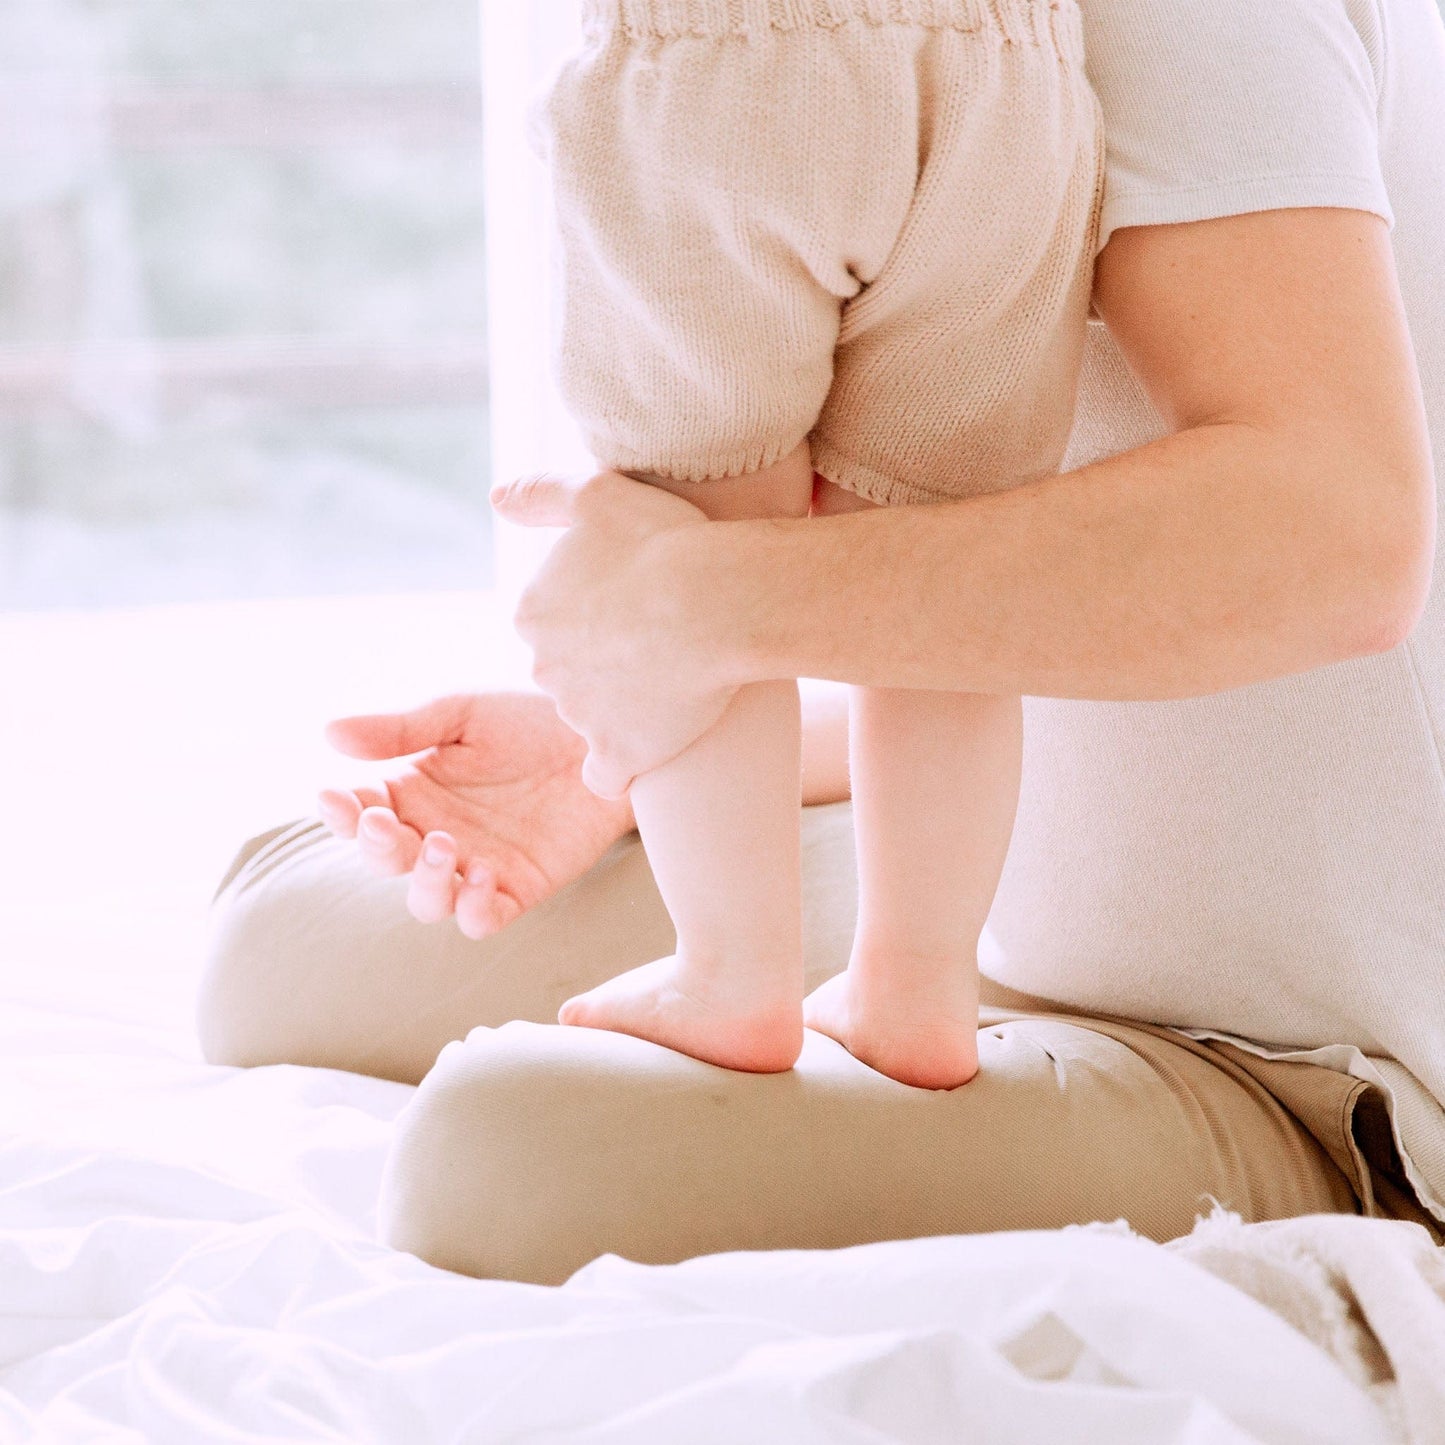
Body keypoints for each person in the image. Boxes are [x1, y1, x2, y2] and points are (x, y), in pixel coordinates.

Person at [199, 0, 1445, 1288]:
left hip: (1299, 1051)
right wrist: (628, 735)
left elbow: (1338, 543)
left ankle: (849, 970)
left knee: (500, 1154)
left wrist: (695, 602)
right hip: (1000, 886)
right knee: (278, 931)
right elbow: (976, 589)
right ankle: (868, 958)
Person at [501, 0, 1103, 1089]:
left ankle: (727, 972)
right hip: (1008, 78)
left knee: (696, 546)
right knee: (945, 578)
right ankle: (918, 988)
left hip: (720, 59)